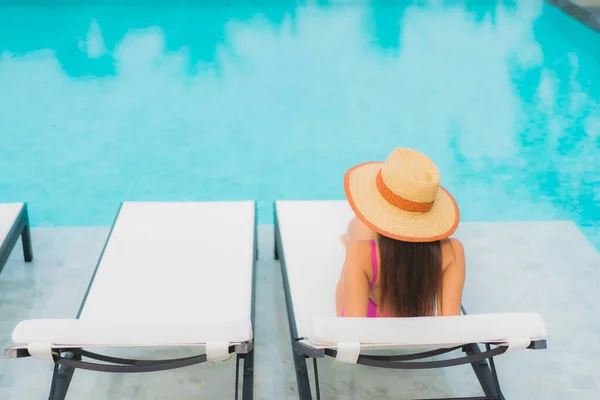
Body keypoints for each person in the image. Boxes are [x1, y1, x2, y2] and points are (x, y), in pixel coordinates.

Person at [336, 147, 465, 318]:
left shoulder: (360, 255)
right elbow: (450, 324)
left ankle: (348, 240)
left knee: (356, 230)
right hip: (420, 340)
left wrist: (353, 252)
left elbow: (352, 332)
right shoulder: (453, 251)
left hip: (370, 327)